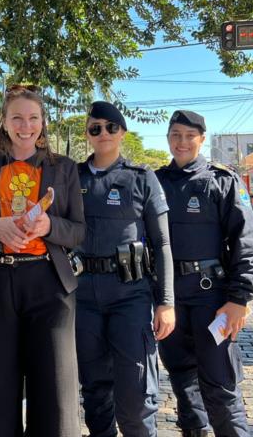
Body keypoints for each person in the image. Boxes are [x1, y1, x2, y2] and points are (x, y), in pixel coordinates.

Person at [0, 84, 84, 437]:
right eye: (17, 117)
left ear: (42, 122)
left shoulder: (63, 168)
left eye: (33, 118)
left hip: (49, 287)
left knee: (55, 393)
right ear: (3, 122)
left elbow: (79, 231)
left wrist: (50, 225)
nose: (25, 125)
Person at [155, 110, 253, 437]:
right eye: (176, 135)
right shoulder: (155, 182)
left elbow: (245, 240)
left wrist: (239, 299)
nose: (182, 142)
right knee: (182, 382)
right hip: (170, 299)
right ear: (168, 138)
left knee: (220, 385)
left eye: (190, 135)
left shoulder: (223, 180)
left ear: (202, 138)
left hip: (211, 297)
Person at [76, 101, 176, 437]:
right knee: (94, 391)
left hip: (129, 296)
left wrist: (165, 302)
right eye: (95, 128)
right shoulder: (71, 177)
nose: (103, 134)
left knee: (135, 393)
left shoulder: (142, 178)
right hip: (83, 297)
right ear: (88, 133)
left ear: (122, 132)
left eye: (110, 127)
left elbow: (162, 244)